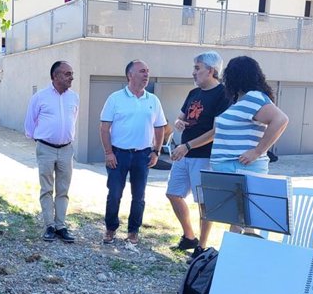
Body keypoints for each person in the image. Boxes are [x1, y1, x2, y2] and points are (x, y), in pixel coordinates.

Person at [177, 56, 289, 232]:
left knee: (246, 222)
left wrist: (257, 151)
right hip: (230, 169)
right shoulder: (241, 101)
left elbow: (281, 120)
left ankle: (238, 257)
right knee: (237, 222)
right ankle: (233, 256)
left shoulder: (254, 98)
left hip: (241, 168)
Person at [167, 52, 230, 259]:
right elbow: (181, 117)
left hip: (204, 156)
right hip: (183, 154)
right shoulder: (194, 93)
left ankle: (201, 247)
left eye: (197, 68)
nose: (193, 72)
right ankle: (189, 237)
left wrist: (187, 145)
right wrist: (178, 123)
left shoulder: (223, 94)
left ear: (211, 71)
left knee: (204, 204)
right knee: (173, 193)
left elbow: (215, 132)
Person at [99, 59, 167, 245]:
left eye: (147, 71)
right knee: (114, 194)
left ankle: (133, 231)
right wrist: (108, 153)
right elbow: (105, 128)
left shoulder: (153, 100)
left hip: (142, 155)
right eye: (142, 71)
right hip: (118, 154)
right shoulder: (115, 98)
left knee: (139, 196)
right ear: (130, 75)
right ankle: (110, 229)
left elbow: (160, 127)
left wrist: (156, 151)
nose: (146, 75)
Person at [24, 61, 79, 243]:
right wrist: (40, 140)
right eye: (67, 74)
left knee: (63, 189)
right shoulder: (40, 97)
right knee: (46, 188)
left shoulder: (74, 97)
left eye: (71, 74)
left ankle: (61, 225)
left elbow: (73, 119)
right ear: (55, 76)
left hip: (66, 150)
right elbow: (30, 123)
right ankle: (49, 225)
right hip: (46, 148)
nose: (71, 77)